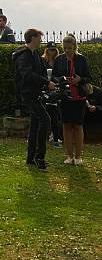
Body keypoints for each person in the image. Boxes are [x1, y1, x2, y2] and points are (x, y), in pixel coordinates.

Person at [13, 28, 55, 171]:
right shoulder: (24, 56)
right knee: (45, 120)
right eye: (39, 38)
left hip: (35, 93)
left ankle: (31, 157)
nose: (41, 40)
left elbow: (41, 72)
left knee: (35, 124)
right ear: (32, 38)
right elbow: (27, 75)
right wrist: (45, 82)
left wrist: (49, 81)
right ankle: (40, 157)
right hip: (28, 94)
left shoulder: (34, 54)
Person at [52, 34, 96, 165]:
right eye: (65, 48)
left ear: (75, 47)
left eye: (70, 48)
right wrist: (62, 80)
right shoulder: (59, 59)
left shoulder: (82, 59)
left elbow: (89, 77)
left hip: (79, 96)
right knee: (66, 125)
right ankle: (69, 156)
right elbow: (54, 77)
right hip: (64, 96)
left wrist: (79, 80)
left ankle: (78, 156)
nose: (67, 51)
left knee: (77, 125)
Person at [42, 43, 62, 147]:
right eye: (50, 50)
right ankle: (43, 136)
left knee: (55, 115)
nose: (52, 52)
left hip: (55, 89)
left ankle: (55, 137)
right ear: (47, 50)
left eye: (54, 50)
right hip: (44, 89)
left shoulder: (58, 61)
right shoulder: (43, 61)